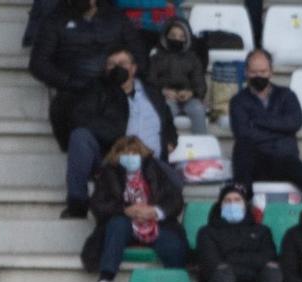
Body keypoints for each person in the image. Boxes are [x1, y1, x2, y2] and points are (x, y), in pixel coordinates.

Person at [63, 45, 176, 219]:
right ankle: (77, 203)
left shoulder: (152, 92)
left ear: (134, 67)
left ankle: (157, 219)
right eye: (111, 64)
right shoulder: (97, 90)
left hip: (151, 162)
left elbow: (167, 120)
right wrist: (114, 133)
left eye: (122, 63)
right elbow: (80, 118)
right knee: (80, 137)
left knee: (175, 181)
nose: (117, 68)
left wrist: (170, 139)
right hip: (115, 161)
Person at [84, 137, 188, 282]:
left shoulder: (156, 169)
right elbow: (98, 204)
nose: (131, 158)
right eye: (126, 154)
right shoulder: (108, 173)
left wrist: (155, 211)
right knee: (116, 226)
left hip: (156, 223)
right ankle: (106, 277)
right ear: (117, 156)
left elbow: (175, 199)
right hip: (125, 223)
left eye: (135, 153)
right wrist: (124, 210)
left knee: (173, 244)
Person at [32, 0, 135, 150]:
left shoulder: (117, 19)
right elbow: (38, 64)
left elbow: (138, 56)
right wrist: (70, 81)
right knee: (81, 135)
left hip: (112, 94)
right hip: (73, 95)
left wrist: (121, 75)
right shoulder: (55, 20)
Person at [229, 50, 302, 196]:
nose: (258, 76)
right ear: (246, 72)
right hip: (256, 163)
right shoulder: (238, 101)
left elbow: (295, 122)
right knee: (243, 147)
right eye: (253, 72)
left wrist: (257, 121)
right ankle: (245, 211)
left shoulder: (286, 95)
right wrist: (281, 133)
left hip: (285, 160)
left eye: (263, 71)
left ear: (271, 72)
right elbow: (243, 133)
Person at [197, 182, 284, 282]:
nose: (232, 204)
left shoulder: (262, 231)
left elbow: (269, 260)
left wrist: (230, 259)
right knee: (223, 273)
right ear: (220, 206)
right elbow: (212, 265)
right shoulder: (206, 233)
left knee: (273, 271)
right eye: (227, 201)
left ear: (245, 205)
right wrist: (252, 262)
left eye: (237, 200)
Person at [150, 16, 210, 136]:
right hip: (166, 97)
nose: (177, 39)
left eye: (181, 37)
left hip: (188, 98)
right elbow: (150, 80)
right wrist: (163, 91)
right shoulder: (157, 57)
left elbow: (200, 83)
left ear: (187, 39)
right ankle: (166, 145)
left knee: (198, 109)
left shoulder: (193, 58)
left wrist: (191, 93)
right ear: (165, 37)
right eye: (173, 36)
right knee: (167, 110)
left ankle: (201, 145)